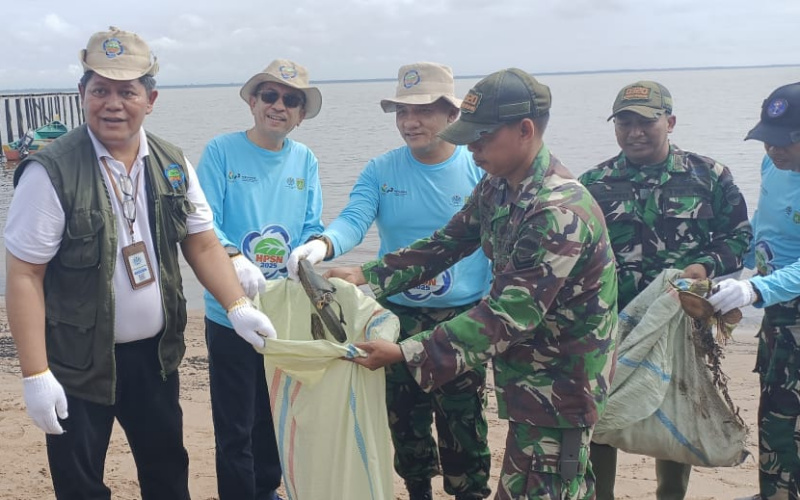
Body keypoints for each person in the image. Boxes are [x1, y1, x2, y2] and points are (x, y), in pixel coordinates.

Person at [3, 26, 277, 500]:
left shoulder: (171, 162)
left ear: (150, 99)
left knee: (168, 470)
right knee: (81, 484)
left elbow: (203, 243)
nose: (113, 103)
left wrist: (236, 305)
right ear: (82, 95)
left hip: (154, 357)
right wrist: (35, 374)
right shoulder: (51, 172)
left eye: (126, 91)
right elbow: (24, 275)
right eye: (100, 90)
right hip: (76, 361)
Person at [327, 68, 619, 500]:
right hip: (528, 382)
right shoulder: (499, 184)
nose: (471, 147)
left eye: (481, 137)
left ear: (524, 130)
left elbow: (507, 314)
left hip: (560, 391)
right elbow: (451, 240)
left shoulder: (557, 211)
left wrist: (407, 352)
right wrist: (369, 274)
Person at [287, 61, 492, 500]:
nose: (410, 122)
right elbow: (355, 219)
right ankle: (417, 489)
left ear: (452, 114)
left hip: (460, 317)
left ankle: (468, 492)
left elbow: (496, 245)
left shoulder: (478, 168)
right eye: (401, 112)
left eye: (422, 111)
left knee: (463, 423)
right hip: (395, 315)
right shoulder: (382, 169)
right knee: (404, 419)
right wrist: (322, 245)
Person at [578, 80, 752, 500]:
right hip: (610, 325)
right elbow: (574, 251)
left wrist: (702, 267)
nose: (635, 131)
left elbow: (739, 237)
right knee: (601, 415)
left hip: (679, 323)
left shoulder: (708, 176)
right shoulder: (594, 182)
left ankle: (670, 494)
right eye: (625, 121)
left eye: (646, 122)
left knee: (673, 406)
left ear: (669, 122)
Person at [195, 59, 324, 500]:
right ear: (253, 101)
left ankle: (267, 489)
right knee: (235, 423)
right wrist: (232, 256)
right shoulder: (220, 151)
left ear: (301, 114)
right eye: (269, 96)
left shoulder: (305, 159)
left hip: (283, 311)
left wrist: (310, 250)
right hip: (230, 309)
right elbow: (202, 220)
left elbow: (311, 223)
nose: (279, 106)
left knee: (275, 413)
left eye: (291, 101)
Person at [708, 82, 800, 500]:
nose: (774, 151)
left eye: (785, 142)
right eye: (768, 141)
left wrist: (756, 290)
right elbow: (768, 230)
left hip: (781, 297)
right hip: (778, 311)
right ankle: (776, 493)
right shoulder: (775, 168)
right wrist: (733, 269)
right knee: (776, 412)